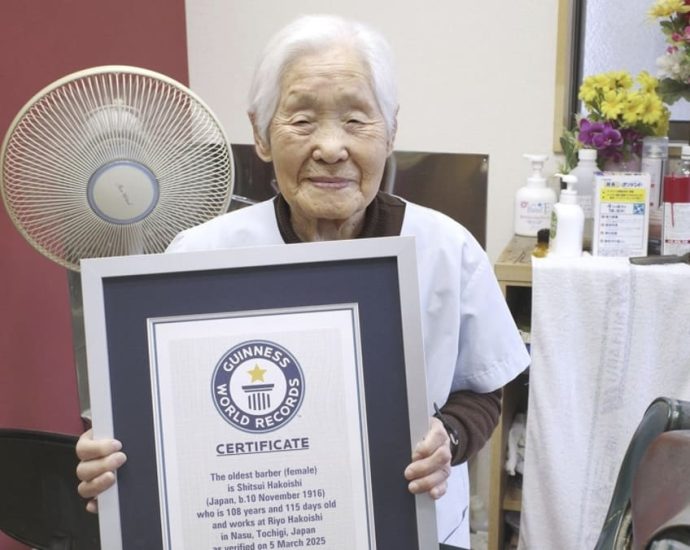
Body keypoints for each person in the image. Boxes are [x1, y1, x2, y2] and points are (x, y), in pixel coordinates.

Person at [76, 14, 529, 549]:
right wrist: (113, 462)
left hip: (410, 529)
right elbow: (160, 417)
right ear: (260, 134)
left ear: (392, 130)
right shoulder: (199, 256)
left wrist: (447, 439)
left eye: (357, 120)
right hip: (245, 531)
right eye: (302, 120)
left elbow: (481, 391)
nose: (332, 147)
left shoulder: (448, 250)